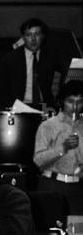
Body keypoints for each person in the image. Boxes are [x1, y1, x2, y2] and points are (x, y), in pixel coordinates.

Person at [32, 81, 83, 216]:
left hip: (78, 189)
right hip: (52, 186)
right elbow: (38, 160)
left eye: (80, 102)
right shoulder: (48, 126)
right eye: (70, 101)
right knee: (51, 233)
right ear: (62, 101)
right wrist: (63, 148)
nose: (75, 107)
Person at [0, 17, 59, 109]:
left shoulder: (51, 58)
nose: (33, 39)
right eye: (28, 35)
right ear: (23, 37)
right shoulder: (10, 59)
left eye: (37, 34)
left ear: (43, 36)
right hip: (19, 107)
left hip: (45, 107)